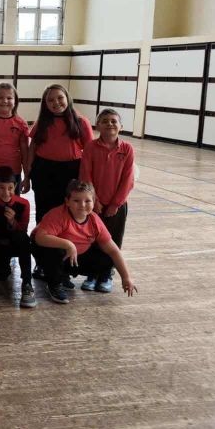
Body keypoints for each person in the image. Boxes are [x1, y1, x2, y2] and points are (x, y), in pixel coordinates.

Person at [31, 180, 138, 304]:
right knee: (57, 251)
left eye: (87, 201)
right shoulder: (58, 215)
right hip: (45, 250)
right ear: (67, 202)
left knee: (108, 259)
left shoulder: (94, 220)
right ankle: (54, 284)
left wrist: (126, 277)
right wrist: (68, 244)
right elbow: (40, 238)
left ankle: (63, 274)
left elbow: (114, 250)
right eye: (76, 201)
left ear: (94, 202)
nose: (82, 205)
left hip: (74, 256)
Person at [78, 108, 135, 292]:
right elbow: (85, 175)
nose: (109, 124)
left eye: (113, 121)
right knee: (93, 238)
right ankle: (92, 274)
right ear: (97, 126)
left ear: (121, 126)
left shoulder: (127, 149)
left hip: (117, 206)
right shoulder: (90, 147)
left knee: (113, 239)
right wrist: (93, 201)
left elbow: (128, 179)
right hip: (94, 205)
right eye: (104, 121)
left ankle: (106, 274)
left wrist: (115, 204)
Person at [22, 84, 93, 222]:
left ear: (67, 98)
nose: (56, 102)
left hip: (71, 171)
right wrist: (27, 174)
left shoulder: (81, 122)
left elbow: (90, 153)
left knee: (68, 210)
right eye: (51, 100)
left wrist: (88, 178)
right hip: (43, 171)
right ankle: (42, 234)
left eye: (60, 98)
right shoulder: (42, 123)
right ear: (45, 104)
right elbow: (32, 148)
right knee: (43, 210)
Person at [0, 166, 35, 308]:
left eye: (10, 188)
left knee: (24, 239)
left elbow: (23, 231)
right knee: (1, 276)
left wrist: (12, 222)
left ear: (15, 186)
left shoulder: (23, 204)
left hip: (16, 242)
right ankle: (0, 266)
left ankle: (27, 283)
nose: (6, 192)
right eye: (1, 188)